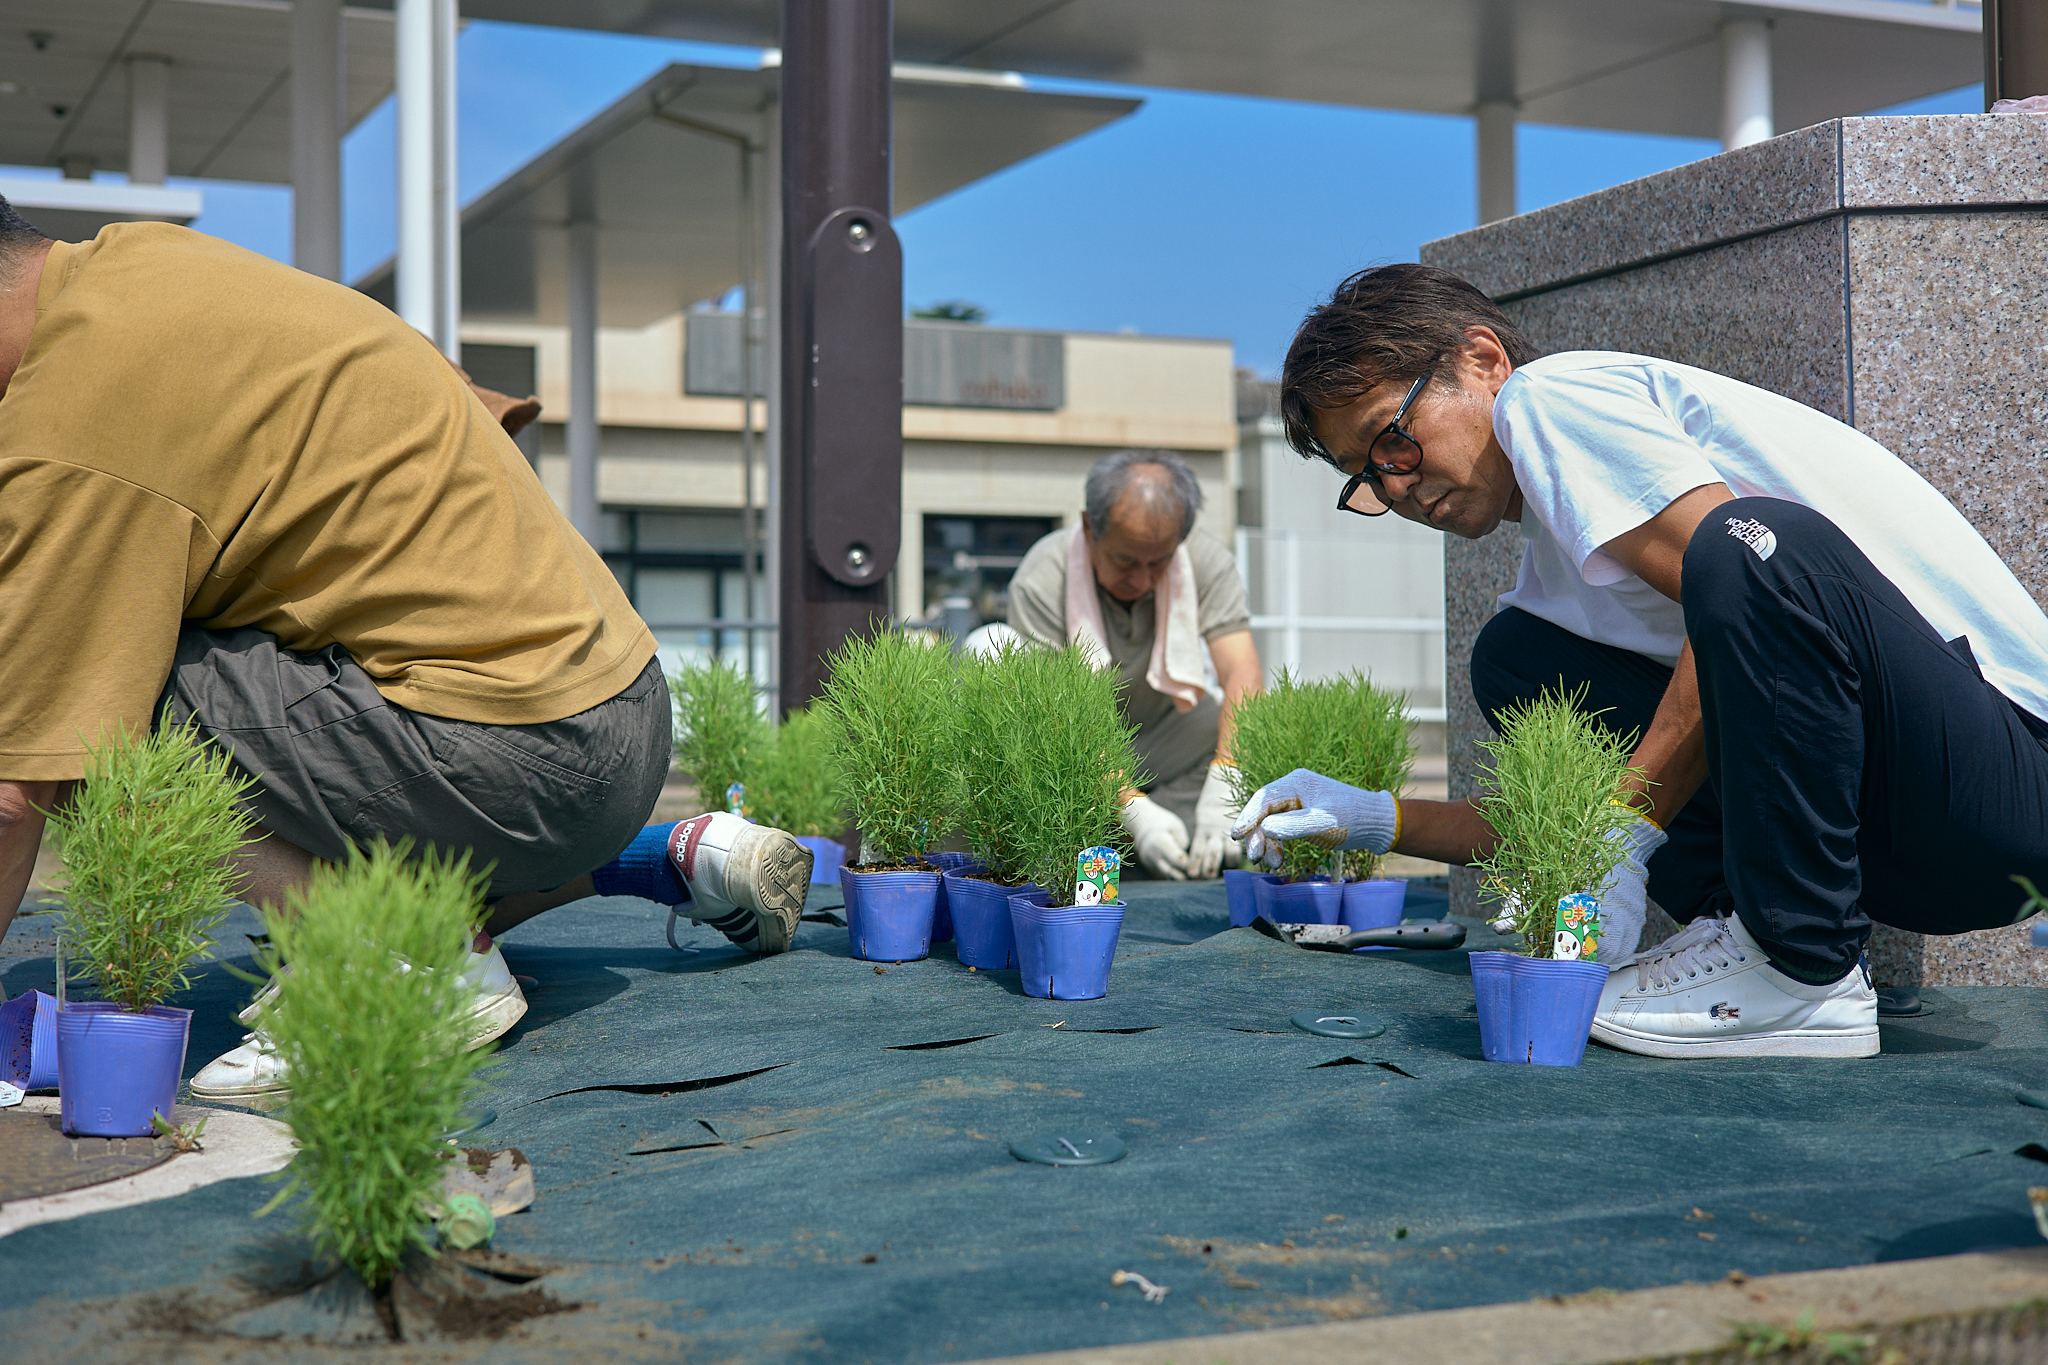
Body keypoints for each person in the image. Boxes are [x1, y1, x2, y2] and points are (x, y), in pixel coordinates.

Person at [0, 204, 810, 1107]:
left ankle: (392, 961)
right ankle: (659, 859)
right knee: (125, 694)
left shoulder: (66, 411)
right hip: (620, 716)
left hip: (504, 752)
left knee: (83, 709)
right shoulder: (155, 268)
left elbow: (13, 793)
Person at [1230, 262, 2048, 1059]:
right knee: (1513, 659)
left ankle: (1801, 965)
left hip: (2009, 778)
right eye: (1366, 478)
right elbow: (1575, 814)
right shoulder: (1555, 591)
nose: (1396, 486)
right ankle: (1756, 936)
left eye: (1390, 440)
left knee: (1746, 545)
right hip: (1906, 857)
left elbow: (1746, 569)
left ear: (1482, 360)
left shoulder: (1552, 397)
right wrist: (1379, 818)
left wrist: (1623, 831)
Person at [1004, 450, 1265, 880]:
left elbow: (1242, 671)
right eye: (1126, 562)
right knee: (986, 649)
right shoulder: (1044, 578)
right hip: (1069, 751)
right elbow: (1053, 717)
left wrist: (1228, 773)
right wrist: (1132, 808)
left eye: (1159, 563)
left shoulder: (1205, 560)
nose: (1143, 581)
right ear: (1089, 527)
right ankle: (1109, 842)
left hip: (1158, 738)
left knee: (1228, 720)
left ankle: (1172, 845)